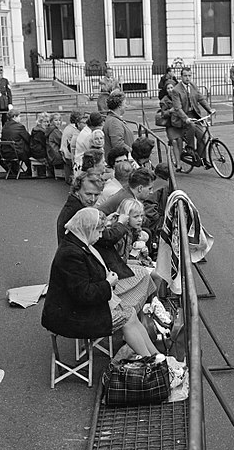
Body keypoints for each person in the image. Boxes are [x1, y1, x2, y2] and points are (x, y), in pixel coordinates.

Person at [42, 207, 160, 357]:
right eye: (98, 232)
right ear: (88, 229)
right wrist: (108, 283)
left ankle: (155, 356)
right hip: (69, 316)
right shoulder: (71, 254)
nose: (99, 236)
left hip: (71, 309)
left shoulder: (75, 244)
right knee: (127, 318)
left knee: (129, 313)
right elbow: (84, 294)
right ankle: (151, 360)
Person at [56, 172, 156, 311]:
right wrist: (120, 224)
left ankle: (131, 312)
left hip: (91, 265)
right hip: (89, 271)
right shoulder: (78, 213)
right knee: (143, 277)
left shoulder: (79, 207)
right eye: (88, 194)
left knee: (143, 275)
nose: (93, 199)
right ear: (76, 190)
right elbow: (106, 238)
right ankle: (127, 312)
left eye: (97, 195)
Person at [170, 68, 216, 167]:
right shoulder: (176, 90)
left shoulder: (193, 86)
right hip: (182, 117)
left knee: (203, 135)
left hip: (194, 114)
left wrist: (209, 109)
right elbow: (177, 108)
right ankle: (189, 147)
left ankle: (202, 159)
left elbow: (201, 98)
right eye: (185, 76)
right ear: (181, 77)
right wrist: (185, 118)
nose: (188, 78)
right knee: (191, 125)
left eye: (189, 76)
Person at [158, 81, 184, 172]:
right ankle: (178, 164)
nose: (170, 90)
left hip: (179, 123)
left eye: (171, 87)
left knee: (180, 140)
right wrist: (170, 111)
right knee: (174, 141)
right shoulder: (164, 101)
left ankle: (179, 160)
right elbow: (163, 114)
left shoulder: (178, 96)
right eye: (168, 88)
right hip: (170, 125)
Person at [103, 90, 134, 163]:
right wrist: (134, 152)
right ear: (119, 106)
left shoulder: (114, 119)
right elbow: (118, 144)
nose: (126, 106)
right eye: (125, 104)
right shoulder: (114, 122)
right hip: (120, 162)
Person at [0, 109, 31, 176]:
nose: (20, 118)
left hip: (4, 153)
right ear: (14, 117)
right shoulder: (19, 127)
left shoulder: (4, 127)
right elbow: (28, 138)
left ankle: (12, 171)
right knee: (29, 149)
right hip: (17, 153)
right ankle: (30, 169)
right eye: (19, 116)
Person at [60, 110, 86, 184]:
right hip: (68, 155)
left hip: (64, 152)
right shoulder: (74, 131)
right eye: (83, 122)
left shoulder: (68, 127)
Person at [30, 111, 53, 178]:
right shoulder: (40, 132)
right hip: (39, 153)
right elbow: (45, 144)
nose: (47, 124)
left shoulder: (35, 130)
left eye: (48, 122)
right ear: (40, 122)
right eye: (45, 122)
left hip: (35, 151)